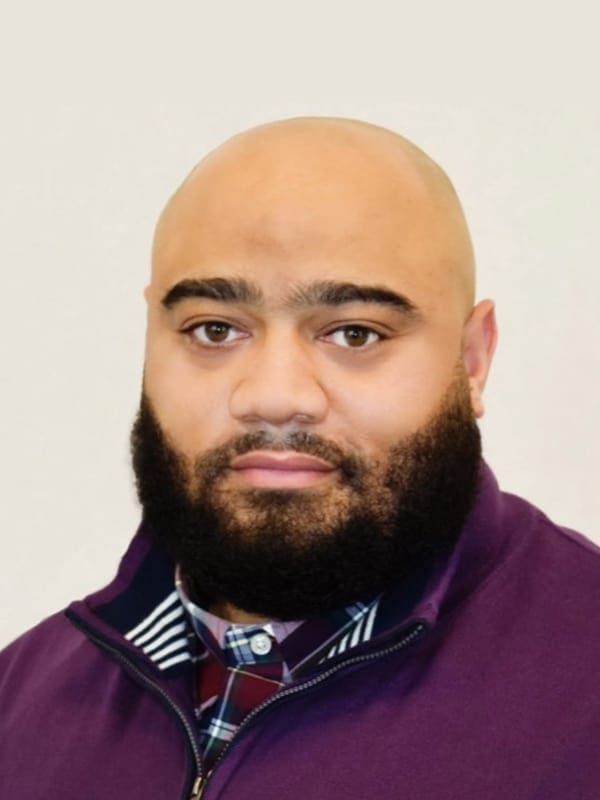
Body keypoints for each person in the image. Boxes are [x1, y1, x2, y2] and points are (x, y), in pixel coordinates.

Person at [1, 117, 599, 800]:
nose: (274, 396)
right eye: (214, 329)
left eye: (355, 333)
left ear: (471, 361)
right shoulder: (18, 703)